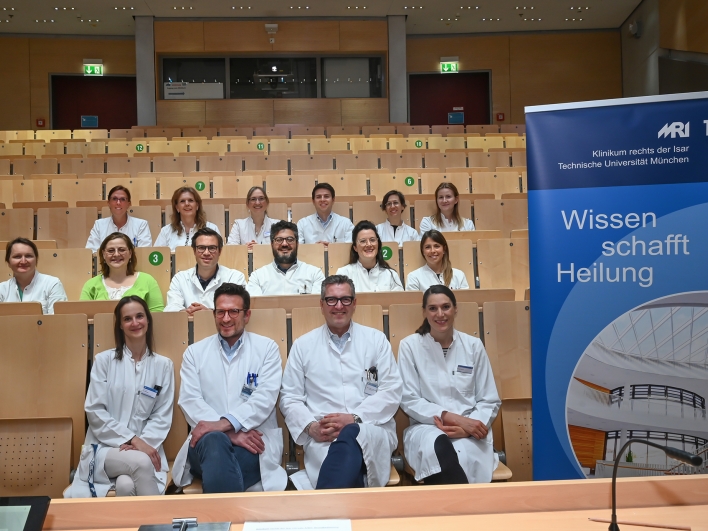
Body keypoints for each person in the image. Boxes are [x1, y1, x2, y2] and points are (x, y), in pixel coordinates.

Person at [280, 275, 403, 490]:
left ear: (354, 303)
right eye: (331, 300)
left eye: (345, 299)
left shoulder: (376, 340)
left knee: (351, 434)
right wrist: (311, 427)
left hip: (372, 429)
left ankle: (327, 514)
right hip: (324, 437)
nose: (339, 306)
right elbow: (290, 397)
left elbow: (391, 390)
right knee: (349, 466)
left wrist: (354, 418)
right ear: (321, 304)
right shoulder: (303, 346)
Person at [172, 283, 288, 493]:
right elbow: (190, 400)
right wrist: (227, 433)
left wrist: (220, 426)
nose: (226, 318)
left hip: (254, 443)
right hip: (206, 445)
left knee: (222, 468)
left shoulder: (267, 349)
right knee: (215, 443)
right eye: (221, 312)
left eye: (234, 311)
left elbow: (264, 399)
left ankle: (216, 520)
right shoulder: (194, 353)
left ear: (247, 314)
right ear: (214, 314)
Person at [65, 296, 174, 497]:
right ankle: (159, 525)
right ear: (120, 325)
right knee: (140, 462)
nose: (135, 323)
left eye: (139, 316)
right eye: (127, 319)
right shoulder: (103, 361)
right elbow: (95, 411)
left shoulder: (163, 365)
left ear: (148, 320)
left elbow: (162, 415)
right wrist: (132, 440)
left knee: (126, 485)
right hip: (105, 449)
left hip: (148, 445)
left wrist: (142, 442)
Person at [398, 286, 500, 484]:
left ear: (455, 309)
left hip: (471, 431)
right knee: (439, 449)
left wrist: (469, 427)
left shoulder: (473, 346)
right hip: (427, 428)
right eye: (433, 308)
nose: (440, 314)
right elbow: (408, 399)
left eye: (446, 307)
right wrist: (452, 418)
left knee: (463, 459)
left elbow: (489, 399)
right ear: (424, 312)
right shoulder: (409, 346)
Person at [165, 228, 245, 314]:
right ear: (194, 251)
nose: (206, 253)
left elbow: (240, 309)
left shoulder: (235, 277)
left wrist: (208, 313)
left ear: (220, 251)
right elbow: (171, 308)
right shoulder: (180, 278)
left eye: (212, 248)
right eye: (201, 248)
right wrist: (187, 312)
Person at [80, 233, 164, 312]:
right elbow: (84, 317)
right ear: (104, 254)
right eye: (111, 250)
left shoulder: (148, 281)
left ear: (130, 253)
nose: (116, 254)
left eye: (121, 250)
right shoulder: (90, 285)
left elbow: (158, 316)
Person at [246, 221, 325, 296]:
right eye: (279, 240)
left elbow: (317, 306)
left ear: (297, 244)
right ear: (271, 244)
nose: (284, 244)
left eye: (290, 239)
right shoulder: (257, 277)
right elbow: (256, 308)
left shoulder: (315, 274)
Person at [0, 238, 67, 314]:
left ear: (36, 260)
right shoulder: (1, 289)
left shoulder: (52, 284)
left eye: (28, 256)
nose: (23, 261)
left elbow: (58, 320)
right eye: (17, 256)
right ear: (8, 262)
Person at [335, 220, 403, 293]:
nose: (369, 244)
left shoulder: (391, 275)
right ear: (355, 247)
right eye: (363, 241)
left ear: (378, 244)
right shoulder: (344, 273)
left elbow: (400, 302)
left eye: (372, 240)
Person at [86, 186, 152, 252]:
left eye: (123, 199)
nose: (118, 203)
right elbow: (92, 252)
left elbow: (144, 253)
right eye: (114, 199)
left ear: (129, 204)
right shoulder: (99, 225)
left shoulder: (141, 225)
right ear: (108, 203)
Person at [153, 187, 220, 251]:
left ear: (197, 206)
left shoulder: (212, 228)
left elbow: (220, 255)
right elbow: (157, 256)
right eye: (182, 201)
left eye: (190, 200)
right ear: (177, 207)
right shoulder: (166, 231)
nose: (187, 204)